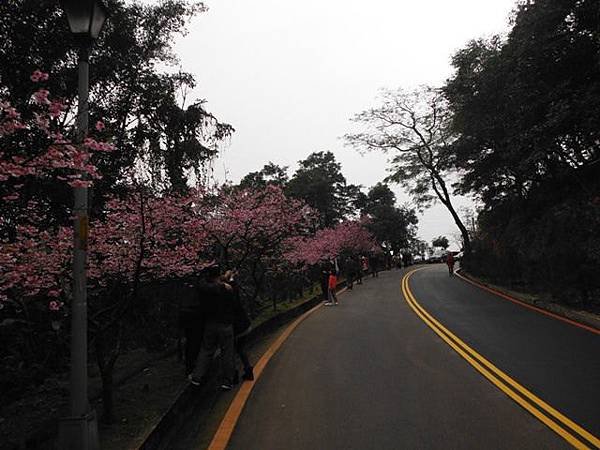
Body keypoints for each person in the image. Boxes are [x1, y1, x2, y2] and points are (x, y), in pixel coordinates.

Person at [189, 264, 236, 390]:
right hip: (225, 324)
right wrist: (230, 280)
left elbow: (204, 284)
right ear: (219, 275)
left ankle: (197, 377)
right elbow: (233, 296)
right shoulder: (226, 289)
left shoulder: (204, 288)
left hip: (210, 323)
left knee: (206, 351)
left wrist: (221, 281)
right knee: (227, 352)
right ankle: (227, 381)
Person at [224, 269, 254, 382]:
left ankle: (234, 374)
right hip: (244, 325)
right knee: (241, 349)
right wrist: (231, 278)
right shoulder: (234, 293)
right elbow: (234, 287)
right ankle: (248, 370)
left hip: (236, 328)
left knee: (230, 351)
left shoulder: (226, 298)